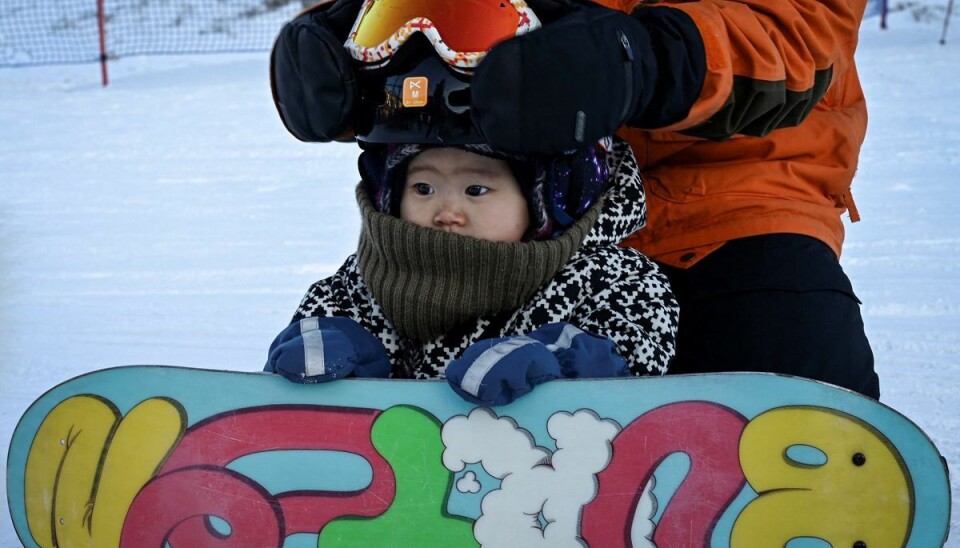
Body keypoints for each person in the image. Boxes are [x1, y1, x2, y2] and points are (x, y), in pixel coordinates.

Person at [269, 0, 880, 399]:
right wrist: (346, 33)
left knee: (787, 406)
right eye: (422, 191)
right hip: (500, 148)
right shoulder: (404, 252)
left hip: (725, 191)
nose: (441, 208)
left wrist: (655, 59)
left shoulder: (616, 288)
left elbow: (801, 26)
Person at [265, 8, 679, 405]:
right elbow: (328, 315)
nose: (447, 211)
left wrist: (563, 363)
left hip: (538, 464)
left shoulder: (610, 281)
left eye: (476, 190)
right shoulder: (369, 278)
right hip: (397, 470)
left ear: (548, 202)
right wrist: (325, 339)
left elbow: (637, 343)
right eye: (424, 188)